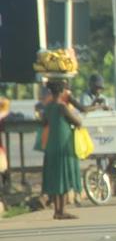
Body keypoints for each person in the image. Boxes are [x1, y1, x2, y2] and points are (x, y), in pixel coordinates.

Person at [41, 80, 82, 220]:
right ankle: (61, 211)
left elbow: (44, 122)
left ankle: (57, 211)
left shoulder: (48, 107)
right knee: (63, 177)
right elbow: (77, 122)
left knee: (55, 177)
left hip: (52, 144)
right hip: (63, 144)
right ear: (62, 91)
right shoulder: (62, 107)